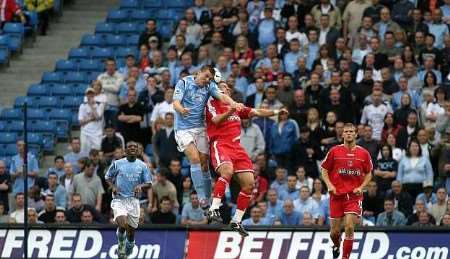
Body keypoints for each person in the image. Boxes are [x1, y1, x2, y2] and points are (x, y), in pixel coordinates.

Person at [205, 81, 285, 236]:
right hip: (221, 144)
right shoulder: (212, 103)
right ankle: (213, 208)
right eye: (223, 86)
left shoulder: (235, 107)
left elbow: (257, 112)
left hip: (237, 148)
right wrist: (231, 110)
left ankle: (236, 220)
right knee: (227, 171)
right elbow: (215, 121)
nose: (227, 88)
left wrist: (277, 112)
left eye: (228, 87)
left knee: (249, 184)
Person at [173, 65, 241, 209]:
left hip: (200, 128)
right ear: (198, 73)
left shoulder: (209, 86)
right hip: (183, 129)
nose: (207, 80)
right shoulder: (184, 83)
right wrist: (182, 110)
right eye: (205, 77)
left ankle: (208, 199)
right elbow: (176, 103)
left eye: (210, 78)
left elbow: (222, 95)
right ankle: (202, 198)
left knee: (204, 164)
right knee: (195, 159)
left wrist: (233, 103)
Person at [321, 123, 373, 259]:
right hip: (336, 195)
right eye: (346, 131)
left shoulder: (364, 153)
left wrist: (361, 187)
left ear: (356, 134)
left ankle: (345, 257)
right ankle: (336, 245)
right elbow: (324, 169)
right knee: (334, 233)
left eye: (351, 131)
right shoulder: (334, 151)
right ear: (342, 134)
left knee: (349, 226)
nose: (349, 133)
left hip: (354, 196)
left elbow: (369, 173)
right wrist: (329, 185)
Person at [105, 141, 152, 259]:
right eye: (129, 147)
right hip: (119, 199)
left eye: (135, 147)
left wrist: (140, 186)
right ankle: (121, 243)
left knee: (130, 232)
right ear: (125, 150)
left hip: (133, 201)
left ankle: (130, 243)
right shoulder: (117, 164)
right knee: (123, 223)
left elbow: (149, 183)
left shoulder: (143, 166)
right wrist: (113, 187)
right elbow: (107, 177)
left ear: (138, 151)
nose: (132, 148)